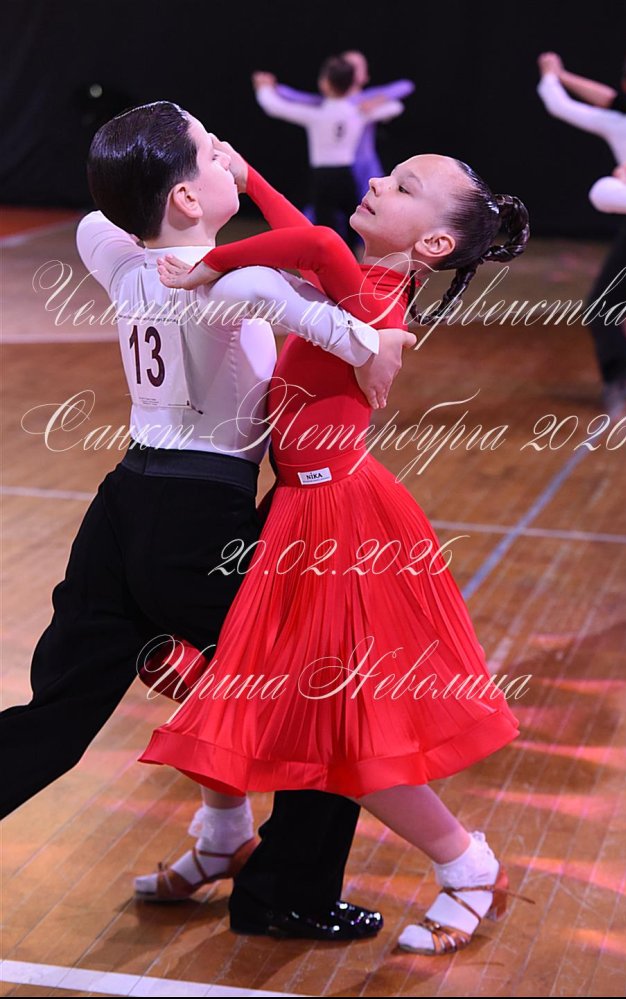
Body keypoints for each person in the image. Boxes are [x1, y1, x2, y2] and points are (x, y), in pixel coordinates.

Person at [0, 100, 418, 941]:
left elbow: (98, 218)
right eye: (212, 154)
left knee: (56, 714)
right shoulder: (232, 283)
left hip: (121, 513)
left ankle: (227, 835)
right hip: (202, 523)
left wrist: (173, 184)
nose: (228, 158)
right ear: (187, 197)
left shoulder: (117, 255)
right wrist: (375, 346)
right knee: (325, 693)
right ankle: (285, 894)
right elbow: (349, 326)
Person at [138, 144, 536, 955]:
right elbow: (308, 241)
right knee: (222, 678)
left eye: (402, 185)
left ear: (433, 243)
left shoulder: (376, 293)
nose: (377, 182)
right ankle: (224, 832)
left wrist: (208, 264)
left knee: (344, 732)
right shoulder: (369, 285)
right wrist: (251, 180)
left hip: (335, 524)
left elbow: (314, 244)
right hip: (304, 507)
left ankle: (468, 866)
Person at [537, 48, 626, 407]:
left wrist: (551, 75)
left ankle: (623, 366)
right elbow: (610, 99)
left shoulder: (619, 123)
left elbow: (560, 105)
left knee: (602, 303)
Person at [253, 55, 404, 248]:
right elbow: (395, 107)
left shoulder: (317, 114)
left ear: (325, 84)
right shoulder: (357, 112)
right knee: (352, 222)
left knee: (325, 225)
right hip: (346, 176)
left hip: (322, 179)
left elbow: (274, 107)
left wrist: (263, 88)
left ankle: (331, 260)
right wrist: (374, 102)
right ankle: (351, 259)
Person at [274, 50, 415, 206]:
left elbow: (406, 86)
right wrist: (275, 87)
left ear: (366, 76)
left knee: (374, 202)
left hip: (365, 163)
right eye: (346, 65)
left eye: (355, 67)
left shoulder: (367, 99)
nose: (350, 69)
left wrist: (376, 101)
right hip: (341, 165)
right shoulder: (327, 103)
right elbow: (298, 98)